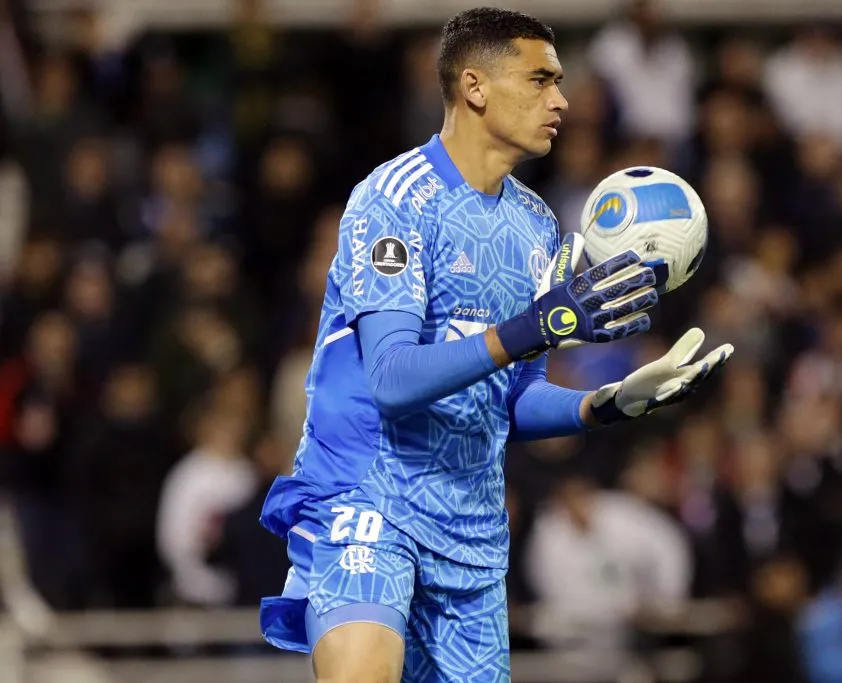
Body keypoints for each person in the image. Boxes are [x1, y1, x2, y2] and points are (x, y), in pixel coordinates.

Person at [257, 8, 733, 683]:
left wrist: (606, 403)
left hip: (472, 543)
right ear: (476, 87)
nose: (561, 100)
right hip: (367, 500)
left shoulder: (537, 226)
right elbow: (391, 377)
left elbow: (508, 400)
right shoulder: (393, 200)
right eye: (541, 80)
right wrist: (535, 327)